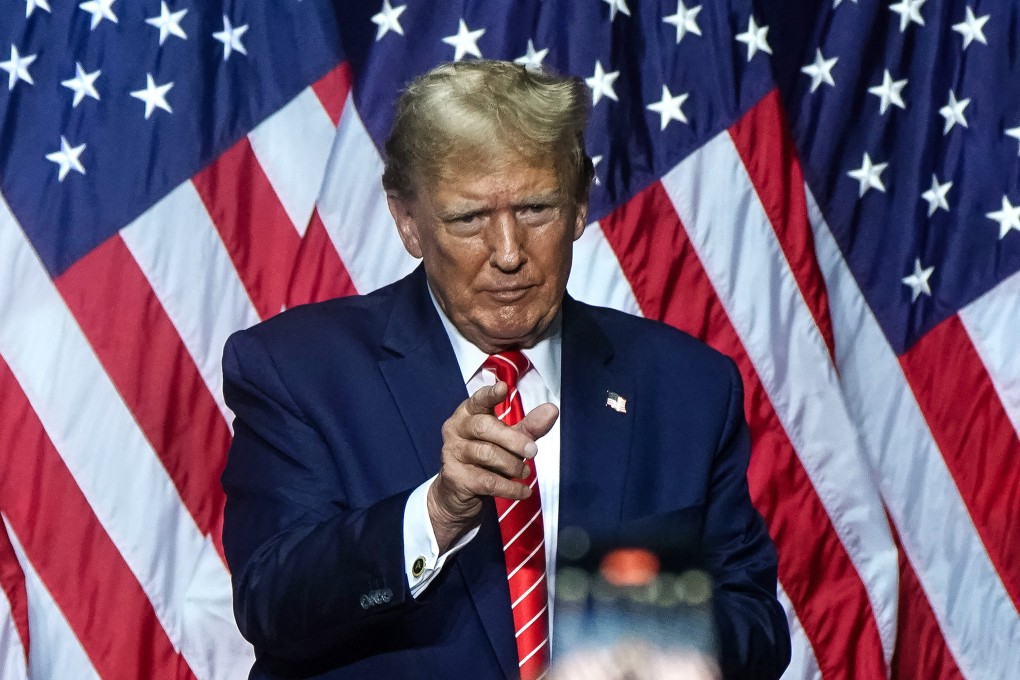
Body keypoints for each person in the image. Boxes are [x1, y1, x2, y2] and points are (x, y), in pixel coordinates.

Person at [220, 60, 790, 679]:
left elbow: (752, 619)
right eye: (469, 219)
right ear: (408, 221)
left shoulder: (686, 387)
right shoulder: (296, 371)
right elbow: (271, 603)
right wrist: (436, 513)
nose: (510, 253)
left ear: (578, 206)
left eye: (536, 209)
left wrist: (629, 655)